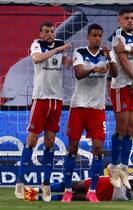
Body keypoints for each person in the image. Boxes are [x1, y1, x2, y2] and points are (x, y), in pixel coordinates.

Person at [14, 22, 71, 202]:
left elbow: (68, 65)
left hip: (57, 100)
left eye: (52, 31)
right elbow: (37, 59)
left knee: (50, 141)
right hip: (41, 99)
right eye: (46, 32)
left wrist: (70, 58)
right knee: (31, 139)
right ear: (41, 33)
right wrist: (58, 49)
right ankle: (20, 181)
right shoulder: (37, 44)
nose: (50, 34)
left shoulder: (60, 46)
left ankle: (46, 183)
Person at [62, 23, 117, 203]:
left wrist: (109, 59)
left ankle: (92, 190)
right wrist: (93, 68)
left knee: (98, 149)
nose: (97, 39)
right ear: (88, 36)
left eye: (99, 36)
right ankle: (68, 190)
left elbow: (115, 73)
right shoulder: (80, 52)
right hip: (78, 107)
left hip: (97, 109)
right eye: (94, 35)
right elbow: (78, 73)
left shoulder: (107, 54)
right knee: (72, 147)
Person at [108, 8, 133, 190]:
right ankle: (114, 166)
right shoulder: (117, 35)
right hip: (121, 86)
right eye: (126, 18)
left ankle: (124, 168)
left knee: (131, 127)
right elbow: (123, 61)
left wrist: (126, 47)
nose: (130, 21)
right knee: (122, 127)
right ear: (120, 20)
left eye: (132, 18)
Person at [23, 166, 133, 202]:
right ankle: (36, 198)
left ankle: (35, 190)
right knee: (77, 198)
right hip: (116, 197)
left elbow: (132, 175)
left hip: (113, 184)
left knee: (74, 186)